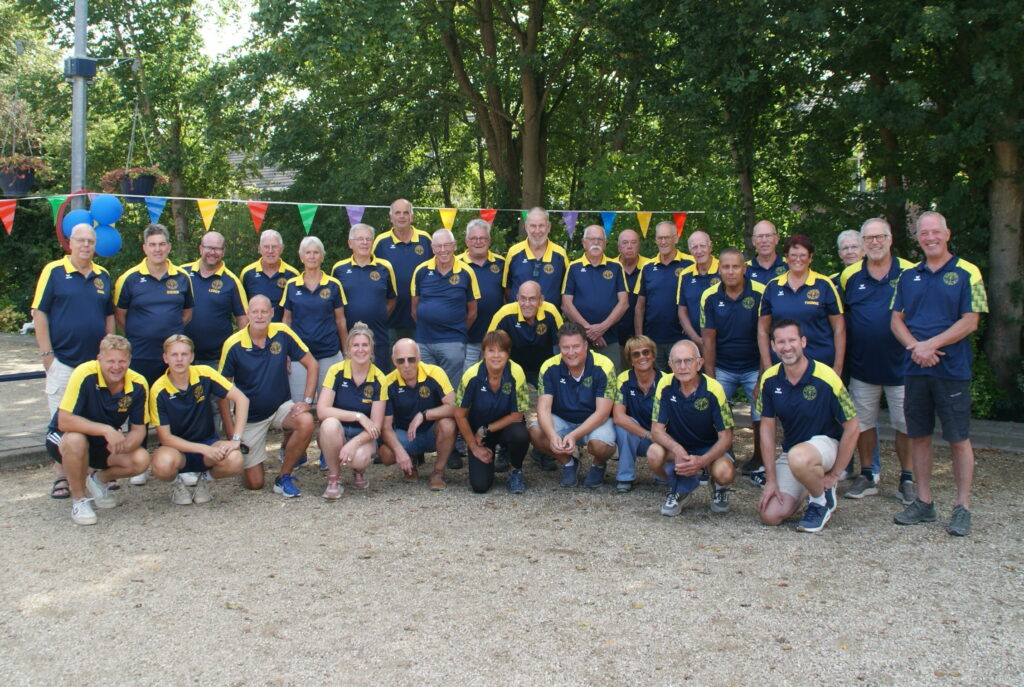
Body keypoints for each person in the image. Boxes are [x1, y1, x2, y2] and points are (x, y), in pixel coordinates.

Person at [891, 211, 988, 537]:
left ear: (947, 234)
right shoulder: (908, 276)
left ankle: (962, 507)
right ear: (917, 237)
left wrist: (930, 345)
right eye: (924, 233)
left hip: (952, 369)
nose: (930, 237)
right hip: (915, 368)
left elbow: (971, 321)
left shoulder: (968, 272)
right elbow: (896, 320)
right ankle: (923, 502)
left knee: (958, 438)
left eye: (935, 232)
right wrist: (916, 348)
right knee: (919, 436)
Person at [32, 223, 115, 500]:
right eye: (81, 240)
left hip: (95, 366)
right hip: (64, 361)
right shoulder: (54, 271)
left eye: (90, 241)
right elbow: (40, 313)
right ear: (70, 242)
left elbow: (109, 317)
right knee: (61, 423)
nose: (86, 245)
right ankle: (62, 476)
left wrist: (109, 354)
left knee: (93, 418)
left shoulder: (103, 275)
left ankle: (92, 473)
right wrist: (47, 355)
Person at [756, 319, 858, 533]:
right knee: (770, 515)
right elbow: (766, 429)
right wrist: (771, 479)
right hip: (793, 453)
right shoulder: (769, 379)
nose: (787, 347)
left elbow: (853, 426)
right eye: (780, 342)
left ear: (803, 342)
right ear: (773, 346)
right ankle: (810, 485)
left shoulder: (826, 376)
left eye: (792, 340)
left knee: (800, 457)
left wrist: (835, 474)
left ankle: (821, 501)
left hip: (826, 446)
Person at [838, 218, 915, 503]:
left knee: (905, 425)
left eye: (879, 236)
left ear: (890, 238)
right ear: (862, 243)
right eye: (868, 238)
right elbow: (843, 318)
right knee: (863, 424)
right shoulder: (850, 276)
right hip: (863, 366)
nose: (874, 242)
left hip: (902, 366)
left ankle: (907, 478)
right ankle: (868, 474)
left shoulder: (910, 272)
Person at [44, 335, 150, 525]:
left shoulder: (139, 383)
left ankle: (98, 480)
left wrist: (126, 445)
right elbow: (64, 421)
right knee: (76, 440)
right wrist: (106, 430)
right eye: (110, 361)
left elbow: (139, 429)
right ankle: (79, 500)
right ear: (99, 359)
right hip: (64, 437)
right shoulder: (84, 373)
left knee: (140, 459)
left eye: (122, 361)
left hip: (102, 443)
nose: (116, 367)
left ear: (129, 360)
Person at [218, 295, 317, 497]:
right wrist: (231, 433)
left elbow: (312, 364)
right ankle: (246, 464)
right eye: (255, 312)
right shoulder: (233, 344)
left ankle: (283, 477)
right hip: (250, 418)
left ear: (272, 314)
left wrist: (307, 401)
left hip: (281, 407)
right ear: (247, 314)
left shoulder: (282, 332)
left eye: (264, 311)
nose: (260, 316)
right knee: (255, 483)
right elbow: (221, 392)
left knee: (306, 421)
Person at [149, 335, 248, 505]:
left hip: (207, 443)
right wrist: (203, 449)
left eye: (184, 354)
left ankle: (204, 481)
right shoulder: (158, 389)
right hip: (176, 450)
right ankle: (177, 484)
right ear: (165, 358)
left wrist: (236, 439)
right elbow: (165, 438)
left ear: (192, 357)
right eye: (174, 355)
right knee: (162, 464)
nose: (179, 359)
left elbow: (242, 399)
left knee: (235, 459)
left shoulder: (205, 373)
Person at [700, 247, 766, 479]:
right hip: (723, 366)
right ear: (719, 269)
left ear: (744, 268)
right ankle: (724, 455)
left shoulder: (761, 293)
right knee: (715, 412)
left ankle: (760, 461)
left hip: (754, 366)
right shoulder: (709, 296)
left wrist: (762, 376)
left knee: (761, 415)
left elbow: (766, 337)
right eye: (725, 267)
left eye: (735, 267)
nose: (730, 271)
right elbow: (708, 341)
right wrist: (711, 379)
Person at [650, 340, 736, 516]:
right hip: (679, 448)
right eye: (677, 362)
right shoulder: (664, 384)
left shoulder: (714, 388)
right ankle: (679, 487)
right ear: (670, 365)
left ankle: (718, 486)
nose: (682, 367)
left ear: (699, 363)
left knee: (725, 473)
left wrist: (702, 461)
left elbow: (726, 437)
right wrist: (677, 448)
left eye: (688, 361)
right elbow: (656, 430)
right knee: (653, 454)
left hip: (708, 448)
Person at [528, 322, 618, 489]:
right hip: (563, 419)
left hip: (594, 420)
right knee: (536, 431)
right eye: (565, 347)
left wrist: (574, 435)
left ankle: (598, 464)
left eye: (576, 346)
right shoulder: (549, 366)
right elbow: (543, 408)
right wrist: (552, 436)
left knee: (601, 446)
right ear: (559, 347)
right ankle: (569, 463)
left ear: (585, 345)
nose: (571, 352)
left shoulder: (604, 365)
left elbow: (602, 413)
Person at [114, 223, 194, 385]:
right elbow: (119, 315)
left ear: (169, 247)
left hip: (174, 357)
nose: (158, 249)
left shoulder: (183, 277)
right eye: (152, 245)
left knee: (173, 398)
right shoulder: (128, 278)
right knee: (140, 398)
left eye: (162, 244)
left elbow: (187, 314)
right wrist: (140, 334)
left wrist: (169, 330)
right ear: (145, 248)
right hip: (140, 355)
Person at [454, 330, 531, 494]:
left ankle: (515, 470)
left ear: (508, 353)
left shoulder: (516, 372)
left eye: (501, 350)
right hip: (479, 435)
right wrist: (474, 447)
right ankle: (488, 461)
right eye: (491, 350)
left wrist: (485, 429)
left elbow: (517, 415)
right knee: (480, 486)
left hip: (504, 428)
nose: (496, 356)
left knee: (521, 434)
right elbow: (459, 415)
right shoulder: (471, 375)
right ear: (483, 353)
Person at [316, 323, 386, 499]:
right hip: (338, 431)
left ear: (371, 348)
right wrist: (358, 416)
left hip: (363, 436)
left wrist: (354, 443)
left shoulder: (379, 378)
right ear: (348, 349)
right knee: (329, 424)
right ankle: (334, 478)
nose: (360, 350)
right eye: (355, 345)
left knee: (359, 458)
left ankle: (358, 471)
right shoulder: (336, 371)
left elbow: (376, 426)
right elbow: (322, 411)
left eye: (365, 345)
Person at [758, 235, 845, 374]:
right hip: (782, 366)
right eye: (793, 255)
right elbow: (763, 330)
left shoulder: (824, 285)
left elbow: (839, 329)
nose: (797, 259)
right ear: (786, 257)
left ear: (810, 257)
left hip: (821, 366)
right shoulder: (773, 287)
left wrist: (838, 368)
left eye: (803, 255)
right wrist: (768, 368)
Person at [379, 339, 458, 490]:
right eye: (401, 360)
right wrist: (399, 452)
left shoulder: (435, 373)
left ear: (419, 358)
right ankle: (409, 463)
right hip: (406, 435)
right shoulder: (387, 383)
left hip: (432, 432)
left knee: (448, 424)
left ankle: (438, 472)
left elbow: (455, 407)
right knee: (386, 454)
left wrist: (424, 414)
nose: (407, 365)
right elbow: (386, 427)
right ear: (393, 361)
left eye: (411, 359)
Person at [411, 228, 480, 395]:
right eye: (438, 246)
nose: (443, 250)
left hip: (453, 341)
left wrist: (458, 332)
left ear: (454, 246)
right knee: (426, 389)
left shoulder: (466, 272)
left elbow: (472, 312)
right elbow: (414, 309)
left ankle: (449, 413)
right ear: (432, 248)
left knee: (449, 390)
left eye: (447, 245)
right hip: (424, 341)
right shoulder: (421, 271)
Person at [281, 235, 348, 404]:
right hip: (299, 355)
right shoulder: (291, 285)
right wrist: (285, 352)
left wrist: (346, 352)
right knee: (299, 405)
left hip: (329, 352)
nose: (312, 256)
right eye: (308, 252)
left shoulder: (334, 284)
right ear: (301, 257)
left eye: (316, 252)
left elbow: (340, 321)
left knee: (331, 403)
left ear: (322, 256)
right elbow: (286, 321)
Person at [331, 223, 397, 372]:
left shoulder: (385, 267)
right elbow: (334, 306)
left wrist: (378, 315)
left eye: (368, 239)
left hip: (378, 339)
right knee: (351, 380)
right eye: (360, 239)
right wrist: (345, 345)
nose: (365, 243)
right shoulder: (338, 269)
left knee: (380, 380)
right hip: (349, 340)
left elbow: (392, 299)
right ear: (350, 243)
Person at [562, 224, 629, 369]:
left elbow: (624, 303)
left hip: (609, 340)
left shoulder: (616, 267)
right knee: (579, 379)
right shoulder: (573, 267)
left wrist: (602, 328)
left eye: (600, 239)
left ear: (605, 243)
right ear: (584, 242)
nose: (596, 242)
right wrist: (589, 331)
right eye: (591, 239)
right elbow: (566, 304)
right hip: (579, 341)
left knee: (611, 379)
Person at [635, 221, 694, 371]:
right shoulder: (647, 268)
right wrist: (640, 339)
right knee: (657, 382)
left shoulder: (690, 264)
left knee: (684, 379)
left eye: (667, 237)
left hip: (682, 339)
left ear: (676, 238)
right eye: (660, 238)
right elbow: (640, 307)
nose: (663, 242)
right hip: (653, 339)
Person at [183, 231, 248, 367]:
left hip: (217, 359)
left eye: (217, 248)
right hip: (181, 356)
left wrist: (238, 351)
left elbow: (243, 320)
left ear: (223, 251)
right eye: (209, 247)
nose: (212, 252)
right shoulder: (182, 274)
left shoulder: (232, 281)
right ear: (201, 248)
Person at [612, 335, 667, 493]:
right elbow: (618, 417)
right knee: (623, 427)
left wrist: (658, 435)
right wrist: (648, 434)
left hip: (662, 437)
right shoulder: (623, 379)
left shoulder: (666, 380)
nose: (642, 357)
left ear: (653, 355)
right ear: (630, 360)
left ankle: (662, 473)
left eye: (646, 352)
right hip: (637, 436)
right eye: (636, 354)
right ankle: (625, 477)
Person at [372, 198, 432, 343]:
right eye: (397, 213)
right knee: (391, 357)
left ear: (412, 216)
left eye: (406, 213)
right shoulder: (381, 242)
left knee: (417, 357)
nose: (402, 216)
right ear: (391, 217)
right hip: (390, 317)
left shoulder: (425, 239)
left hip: (421, 316)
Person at [488, 280, 563, 387]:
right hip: (512, 371)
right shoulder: (504, 313)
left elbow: (561, 345)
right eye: (523, 299)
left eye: (532, 299)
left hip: (544, 370)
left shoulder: (551, 311)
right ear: (517, 298)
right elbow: (489, 346)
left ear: (541, 300)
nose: (527, 304)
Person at [458, 219, 506, 371]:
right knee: (468, 378)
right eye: (473, 238)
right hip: (467, 337)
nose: (478, 242)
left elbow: (509, 295)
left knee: (493, 377)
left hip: (495, 338)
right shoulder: (456, 263)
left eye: (482, 238)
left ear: (489, 240)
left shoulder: (501, 263)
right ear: (466, 241)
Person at [502, 206, 569, 305]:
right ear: (526, 227)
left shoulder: (560, 255)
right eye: (533, 226)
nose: (537, 231)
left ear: (548, 227)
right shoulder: (513, 252)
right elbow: (507, 289)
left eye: (541, 226)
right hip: (518, 314)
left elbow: (566, 291)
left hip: (550, 315)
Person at [239, 229, 300, 322]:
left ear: (282, 248)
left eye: (274, 247)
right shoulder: (247, 273)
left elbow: (297, 308)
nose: (270, 251)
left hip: (283, 329)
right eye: (266, 247)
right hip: (256, 329)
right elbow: (242, 309)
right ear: (259, 249)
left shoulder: (293, 275)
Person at [676, 230, 720, 352]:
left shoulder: (724, 268)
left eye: (702, 246)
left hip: (724, 341)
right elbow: (682, 312)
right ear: (690, 251)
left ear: (710, 247)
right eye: (694, 247)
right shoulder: (685, 275)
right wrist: (696, 339)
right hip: (695, 342)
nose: (699, 251)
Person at [613, 229, 649, 347]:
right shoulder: (610, 267)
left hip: (646, 332)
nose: (629, 246)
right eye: (625, 243)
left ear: (639, 246)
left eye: (633, 242)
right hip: (614, 334)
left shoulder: (650, 266)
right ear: (618, 247)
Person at [746, 220, 788, 284]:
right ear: (753, 241)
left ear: (776, 239)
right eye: (760, 236)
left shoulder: (789, 265)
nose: (764, 240)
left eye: (768, 235)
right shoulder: (744, 269)